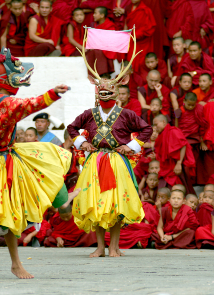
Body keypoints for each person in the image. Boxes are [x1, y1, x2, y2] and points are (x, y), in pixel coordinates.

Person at [0, 41, 75, 278]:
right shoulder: (7, 104)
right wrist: (54, 93)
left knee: (40, 171)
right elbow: (32, 104)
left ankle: (61, 203)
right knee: (9, 213)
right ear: (7, 81)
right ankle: (16, 263)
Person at [67, 55, 153, 257]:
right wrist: (83, 142)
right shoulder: (89, 113)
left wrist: (130, 146)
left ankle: (114, 247)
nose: (105, 94)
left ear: (117, 92)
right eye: (101, 91)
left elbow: (146, 129)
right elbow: (72, 128)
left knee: (116, 205)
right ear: (97, 92)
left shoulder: (126, 114)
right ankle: (100, 248)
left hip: (116, 162)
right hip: (94, 162)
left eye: (109, 91)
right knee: (96, 204)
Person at [154, 114, 196, 194]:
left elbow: (183, 145)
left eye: (156, 124)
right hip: (166, 166)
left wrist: (179, 163)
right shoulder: (161, 135)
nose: (155, 127)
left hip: (175, 165)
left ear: (163, 122)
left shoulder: (173, 131)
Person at [176, 92, 208, 185]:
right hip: (182, 139)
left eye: (193, 105)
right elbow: (177, 128)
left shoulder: (199, 109)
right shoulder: (178, 111)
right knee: (186, 164)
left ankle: (193, 181)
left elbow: (202, 125)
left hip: (195, 139)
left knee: (194, 162)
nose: (190, 107)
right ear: (184, 101)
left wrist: (202, 141)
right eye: (189, 104)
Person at [124, 0, 156, 72]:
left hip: (142, 41)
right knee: (131, 60)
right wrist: (125, 35)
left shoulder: (146, 10)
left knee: (142, 62)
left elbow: (150, 28)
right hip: (131, 39)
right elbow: (126, 23)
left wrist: (138, 34)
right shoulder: (128, 8)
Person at [86, 7, 117, 76]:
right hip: (96, 47)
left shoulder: (110, 26)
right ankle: (93, 74)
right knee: (91, 52)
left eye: (95, 13)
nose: (93, 15)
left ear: (102, 15)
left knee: (98, 51)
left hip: (106, 47)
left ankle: (104, 73)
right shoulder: (93, 25)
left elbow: (110, 40)